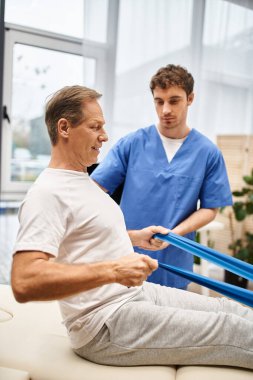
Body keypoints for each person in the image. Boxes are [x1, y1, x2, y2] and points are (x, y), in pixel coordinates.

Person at [11, 85, 253, 370]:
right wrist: (113, 270)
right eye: (95, 126)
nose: (105, 136)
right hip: (105, 322)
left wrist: (135, 238)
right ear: (64, 128)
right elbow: (24, 280)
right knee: (234, 331)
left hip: (134, 294)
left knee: (231, 309)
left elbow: (82, 240)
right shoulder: (48, 193)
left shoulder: (82, 181)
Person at [91, 64, 233, 289]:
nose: (165, 109)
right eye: (159, 101)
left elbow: (210, 209)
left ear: (190, 98)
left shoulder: (207, 152)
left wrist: (173, 234)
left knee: (173, 318)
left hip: (175, 259)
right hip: (126, 256)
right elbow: (94, 191)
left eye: (174, 100)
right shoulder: (132, 143)